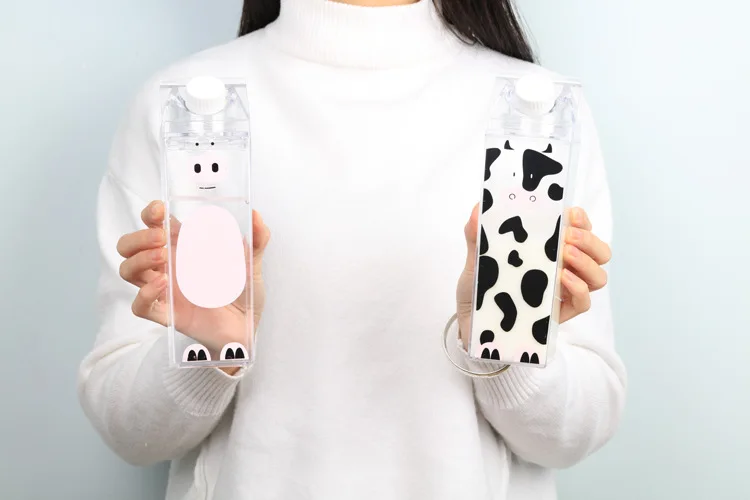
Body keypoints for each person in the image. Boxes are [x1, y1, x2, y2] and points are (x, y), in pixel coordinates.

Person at [77, 0, 627, 498]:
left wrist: (502, 342)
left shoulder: (540, 114)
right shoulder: (189, 108)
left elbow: (573, 434)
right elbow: (129, 432)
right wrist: (213, 352)